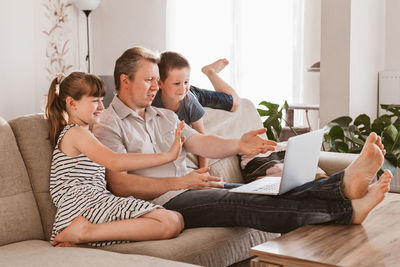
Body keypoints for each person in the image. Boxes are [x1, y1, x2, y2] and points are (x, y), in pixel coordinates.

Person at [93, 46, 392, 235]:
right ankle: (347, 210)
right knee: (242, 203)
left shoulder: (162, 116)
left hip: (186, 190)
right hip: (158, 204)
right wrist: (181, 183)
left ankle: (342, 184)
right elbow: (120, 185)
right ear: (124, 80)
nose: (156, 87)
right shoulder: (108, 123)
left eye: (158, 80)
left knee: (270, 191)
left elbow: (200, 143)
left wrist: (238, 144)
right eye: (149, 80)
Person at [44, 72, 185, 247]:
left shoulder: (87, 133)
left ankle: (85, 237)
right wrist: (168, 156)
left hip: (95, 201)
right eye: (95, 100)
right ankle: (83, 232)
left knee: (177, 219)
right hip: (79, 208)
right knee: (169, 223)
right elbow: (115, 162)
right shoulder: (75, 132)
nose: (101, 107)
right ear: (72, 103)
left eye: (102, 100)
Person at [152, 51, 240, 168]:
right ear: (160, 83)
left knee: (234, 103)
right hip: (179, 95)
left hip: (194, 94)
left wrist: (204, 170)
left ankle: (210, 72)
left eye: (186, 82)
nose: (182, 87)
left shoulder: (189, 101)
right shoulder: (152, 101)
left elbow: (202, 137)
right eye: (177, 83)